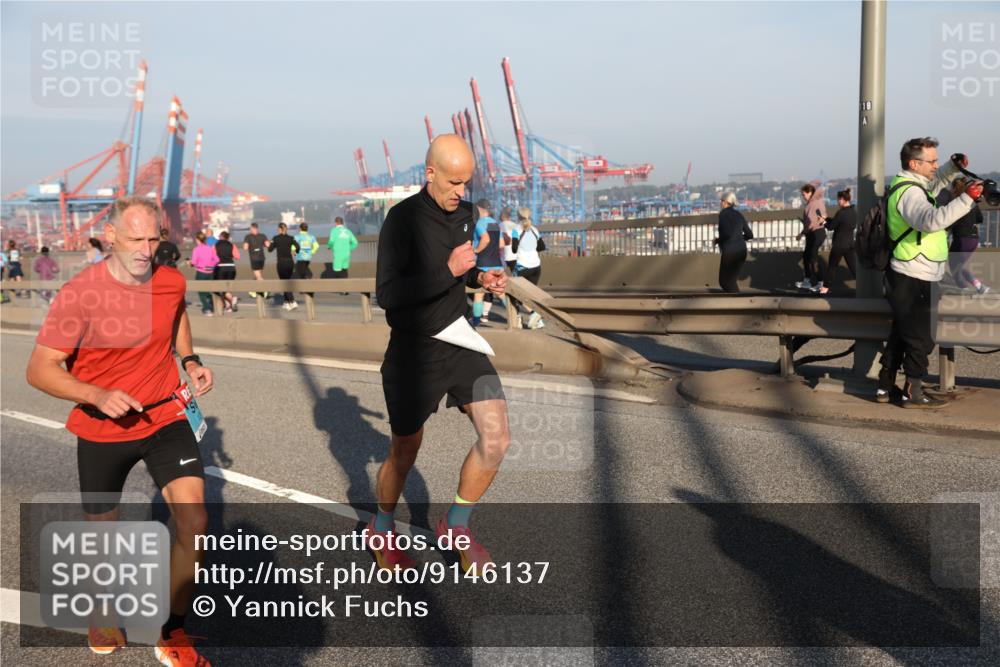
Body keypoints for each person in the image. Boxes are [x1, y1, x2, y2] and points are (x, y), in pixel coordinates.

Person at [25, 196, 214, 665]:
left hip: (165, 416)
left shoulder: (170, 280)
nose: (146, 249)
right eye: (135, 239)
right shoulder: (80, 294)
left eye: (154, 238)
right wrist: (94, 394)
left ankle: (172, 629)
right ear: (109, 236)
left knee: (196, 525)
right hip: (103, 427)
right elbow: (40, 368)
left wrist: (188, 360)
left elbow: (177, 314)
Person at [373, 134, 510, 574]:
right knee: (404, 451)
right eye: (452, 182)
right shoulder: (401, 220)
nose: (460, 193)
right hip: (414, 353)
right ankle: (381, 525)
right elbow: (388, 295)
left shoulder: (467, 214)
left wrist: (481, 281)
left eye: (466, 184)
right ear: (429, 173)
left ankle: (456, 524)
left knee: (498, 438)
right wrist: (446, 270)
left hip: (460, 343)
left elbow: (462, 274)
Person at [876, 138, 979, 408]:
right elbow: (931, 221)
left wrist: (951, 167)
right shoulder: (909, 193)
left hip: (915, 271)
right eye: (931, 161)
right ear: (914, 163)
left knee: (903, 332)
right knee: (921, 337)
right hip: (913, 273)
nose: (935, 165)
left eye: (936, 161)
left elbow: (935, 184)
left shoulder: (914, 185)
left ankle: (884, 387)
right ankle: (914, 390)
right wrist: (968, 199)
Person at [938, 185, 990, 294]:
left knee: (955, 267)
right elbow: (980, 219)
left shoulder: (955, 204)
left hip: (961, 239)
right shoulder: (972, 203)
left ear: (954, 190)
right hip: (973, 239)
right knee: (958, 266)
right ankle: (978, 286)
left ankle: (966, 288)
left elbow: (951, 221)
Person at [814, 188, 857, 294]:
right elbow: (839, 222)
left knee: (832, 267)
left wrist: (823, 222)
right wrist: (827, 218)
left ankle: (825, 288)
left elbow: (831, 227)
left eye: (838, 199)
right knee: (854, 267)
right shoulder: (853, 212)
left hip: (838, 245)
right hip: (850, 244)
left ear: (842, 199)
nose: (838, 202)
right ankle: (863, 286)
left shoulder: (841, 213)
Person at [471, 198, 505, 327]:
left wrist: (476, 250)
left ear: (479, 209)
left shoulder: (479, 224)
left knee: (478, 294)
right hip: (496, 261)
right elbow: (501, 244)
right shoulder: (495, 224)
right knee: (500, 292)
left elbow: (485, 239)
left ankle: (475, 321)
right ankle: (517, 314)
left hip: (483, 262)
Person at [714, 191, 753, 293]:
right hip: (741, 251)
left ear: (726, 202)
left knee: (724, 281)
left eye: (721, 200)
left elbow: (726, 234)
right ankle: (737, 301)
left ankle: (738, 302)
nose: (720, 203)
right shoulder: (738, 214)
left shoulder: (723, 215)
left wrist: (717, 240)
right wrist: (739, 238)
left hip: (730, 252)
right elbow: (750, 235)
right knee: (731, 281)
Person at [513, 207, 545, 329]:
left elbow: (514, 249)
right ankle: (538, 321)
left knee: (516, 293)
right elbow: (542, 246)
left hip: (523, 266)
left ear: (518, 216)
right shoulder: (534, 230)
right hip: (536, 266)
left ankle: (533, 314)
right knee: (530, 293)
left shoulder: (517, 229)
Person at [795, 184, 827, 290]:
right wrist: (802, 233)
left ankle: (820, 282)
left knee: (813, 256)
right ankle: (807, 281)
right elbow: (809, 223)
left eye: (804, 194)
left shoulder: (817, 203)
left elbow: (822, 216)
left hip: (817, 232)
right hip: (811, 233)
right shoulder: (809, 205)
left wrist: (822, 219)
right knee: (806, 256)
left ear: (810, 193)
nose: (803, 196)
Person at [268, 222, 300, 310]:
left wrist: (270, 243)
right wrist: (295, 251)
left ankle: (292, 301)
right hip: (290, 263)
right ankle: (286, 302)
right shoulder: (291, 238)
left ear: (279, 229)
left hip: (281, 263)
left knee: (284, 282)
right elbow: (298, 246)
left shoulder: (276, 238)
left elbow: (270, 250)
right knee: (287, 281)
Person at [190, 232, 218, 316]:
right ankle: (212, 306)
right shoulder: (210, 248)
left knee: (201, 291)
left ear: (198, 240)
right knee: (208, 290)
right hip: (210, 272)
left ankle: (207, 309)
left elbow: (194, 262)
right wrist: (211, 266)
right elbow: (217, 260)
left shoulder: (196, 249)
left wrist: (190, 263)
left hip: (201, 272)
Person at [213, 231, 239, 313]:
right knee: (227, 287)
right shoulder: (232, 245)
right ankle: (229, 306)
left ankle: (232, 299)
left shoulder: (216, 245)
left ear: (220, 237)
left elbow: (212, 257)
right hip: (231, 267)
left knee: (220, 288)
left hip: (221, 268)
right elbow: (237, 256)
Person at [242, 222, 270, 297]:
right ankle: (254, 290)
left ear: (252, 228)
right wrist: (262, 244)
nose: (250, 230)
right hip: (262, 258)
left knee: (258, 276)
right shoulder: (262, 235)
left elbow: (245, 248)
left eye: (250, 228)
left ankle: (265, 290)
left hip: (254, 258)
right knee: (258, 275)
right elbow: (268, 245)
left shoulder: (248, 236)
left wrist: (246, 244)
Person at [499, 207, 519, 274]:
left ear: (501, 217)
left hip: (504, 256)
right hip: (515, 256)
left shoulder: (500, 226)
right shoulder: (515, 226)